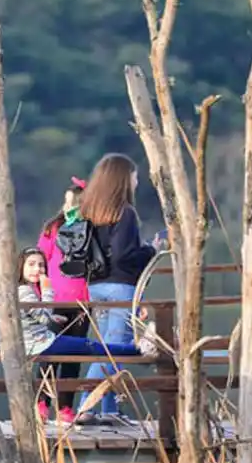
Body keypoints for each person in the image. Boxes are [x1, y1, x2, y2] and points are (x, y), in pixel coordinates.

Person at [71, 153, 158, 421]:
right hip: (120, 286)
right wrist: (151, 250)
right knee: (114, 348)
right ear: (123, 179)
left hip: (96, 285)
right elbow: (123, 255)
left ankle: (110, 409)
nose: (137, 181)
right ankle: (86, 406)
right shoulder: (125, 212)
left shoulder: (90, 211)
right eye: (134, 176)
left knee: (110, 346)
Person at [18, 247, 136, 426]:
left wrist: (52, 316)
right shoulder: (26, 291)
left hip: (37, 340)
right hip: (40, 343)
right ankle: (135, 350)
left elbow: (34, 317)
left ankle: (46, 406)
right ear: (20, 267)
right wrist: (48, 291)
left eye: (41, 265)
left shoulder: (24, 289)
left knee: (82, 348)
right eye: (32, 265)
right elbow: (42, 316)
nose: (37, 270)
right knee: (89, 346)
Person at [36, 178, 92, 420]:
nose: (68, 207)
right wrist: (40, 296)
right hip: (54, 299)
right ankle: (41, 402)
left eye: (73, 203)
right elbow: (40, 263)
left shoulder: (92, 229)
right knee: (48, 352)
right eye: (66, 202)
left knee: (74, 356)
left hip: (81, 302)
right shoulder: (52, 229)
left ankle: (66, 407)